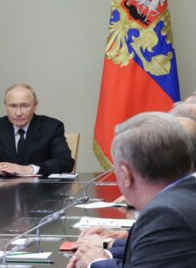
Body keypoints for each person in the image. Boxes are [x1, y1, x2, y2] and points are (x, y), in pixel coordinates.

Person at [68, 112, 196, 268]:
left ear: (125, 174)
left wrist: (96, 263)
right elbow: (160, 254)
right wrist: (111, 249)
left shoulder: (165, 214)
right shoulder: (186, 193)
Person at [0, 84, 74, 176]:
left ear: (35, 106)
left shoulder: (52, 127)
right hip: (4, 195)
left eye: (25, 106)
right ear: (5, 105)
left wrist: (29, 169)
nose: (18, 113)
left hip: (42, 192)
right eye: (13, 106)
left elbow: (65, 162)